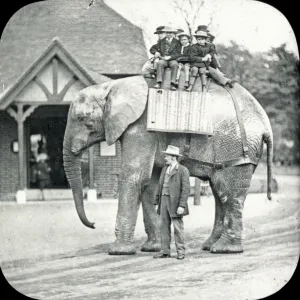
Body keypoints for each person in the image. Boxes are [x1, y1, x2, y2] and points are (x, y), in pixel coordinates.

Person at [153, 145, 190, 260]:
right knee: (163, 227)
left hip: (175, 203)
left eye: (167, 156)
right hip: (163, 201)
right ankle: (165, 251)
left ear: (173, 157)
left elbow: (186, 189)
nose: (165, 158)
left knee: (178, 228)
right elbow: (160, 186)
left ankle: (180, 252)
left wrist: (182, 205)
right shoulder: (164, 169)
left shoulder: (183, 170)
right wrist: (156, 201)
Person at [187, 25, 235, 92]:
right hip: (197, 63)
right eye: (199, 39)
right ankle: (225, 81)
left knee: (213, 70)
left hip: (207, 64)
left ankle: (226, 81)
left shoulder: (210, 45)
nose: (201, 41)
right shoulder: (194, 46)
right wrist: (202, 59)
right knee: (211, 71)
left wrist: (210, 56)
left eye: (203, 39)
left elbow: (213, 54)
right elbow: (191, 57)